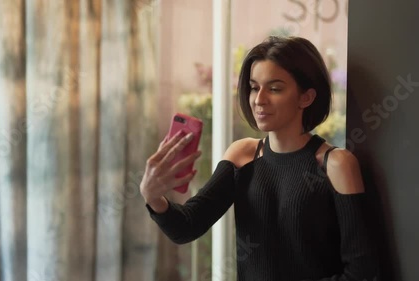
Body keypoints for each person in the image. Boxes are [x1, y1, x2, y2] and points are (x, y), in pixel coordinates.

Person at [140, 36, 379, 281]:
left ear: (306, 97)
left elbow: (363, 274)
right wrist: (153, 196)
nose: (259, 99)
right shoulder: (242, 156)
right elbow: (186, 227)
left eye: (274, 88)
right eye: (254, 87)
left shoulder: (336, 165)